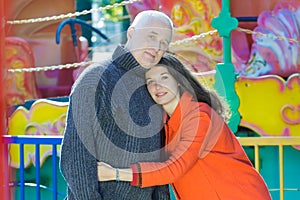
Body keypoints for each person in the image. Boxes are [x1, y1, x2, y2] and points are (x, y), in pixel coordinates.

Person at [97, 54, 272, 200]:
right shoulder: (165, 124)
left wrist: (115, 174)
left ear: (179, 80)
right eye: (150, 81)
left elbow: (175, 168)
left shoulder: (199, 116)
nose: (157, 86)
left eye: (164, 77)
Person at [60, 10, 174, 199]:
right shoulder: (96, 79)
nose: (156, 47)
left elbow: (156, 162)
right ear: (131, 33)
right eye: (151, 36)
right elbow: (76, 157)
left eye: (164, 43)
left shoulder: (153, 89)